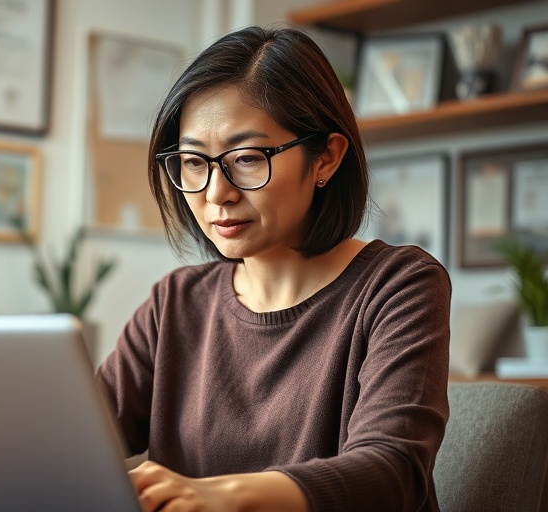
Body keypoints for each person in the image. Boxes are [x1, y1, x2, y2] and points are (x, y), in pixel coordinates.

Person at [96, 26, 451, 511]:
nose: (216, 192)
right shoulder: (175, 303)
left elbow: (393, 472)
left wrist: (222, 497)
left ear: (325, 156)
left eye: (246, 158)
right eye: (193, 162)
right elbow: (77, 442)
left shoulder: (398, 285)